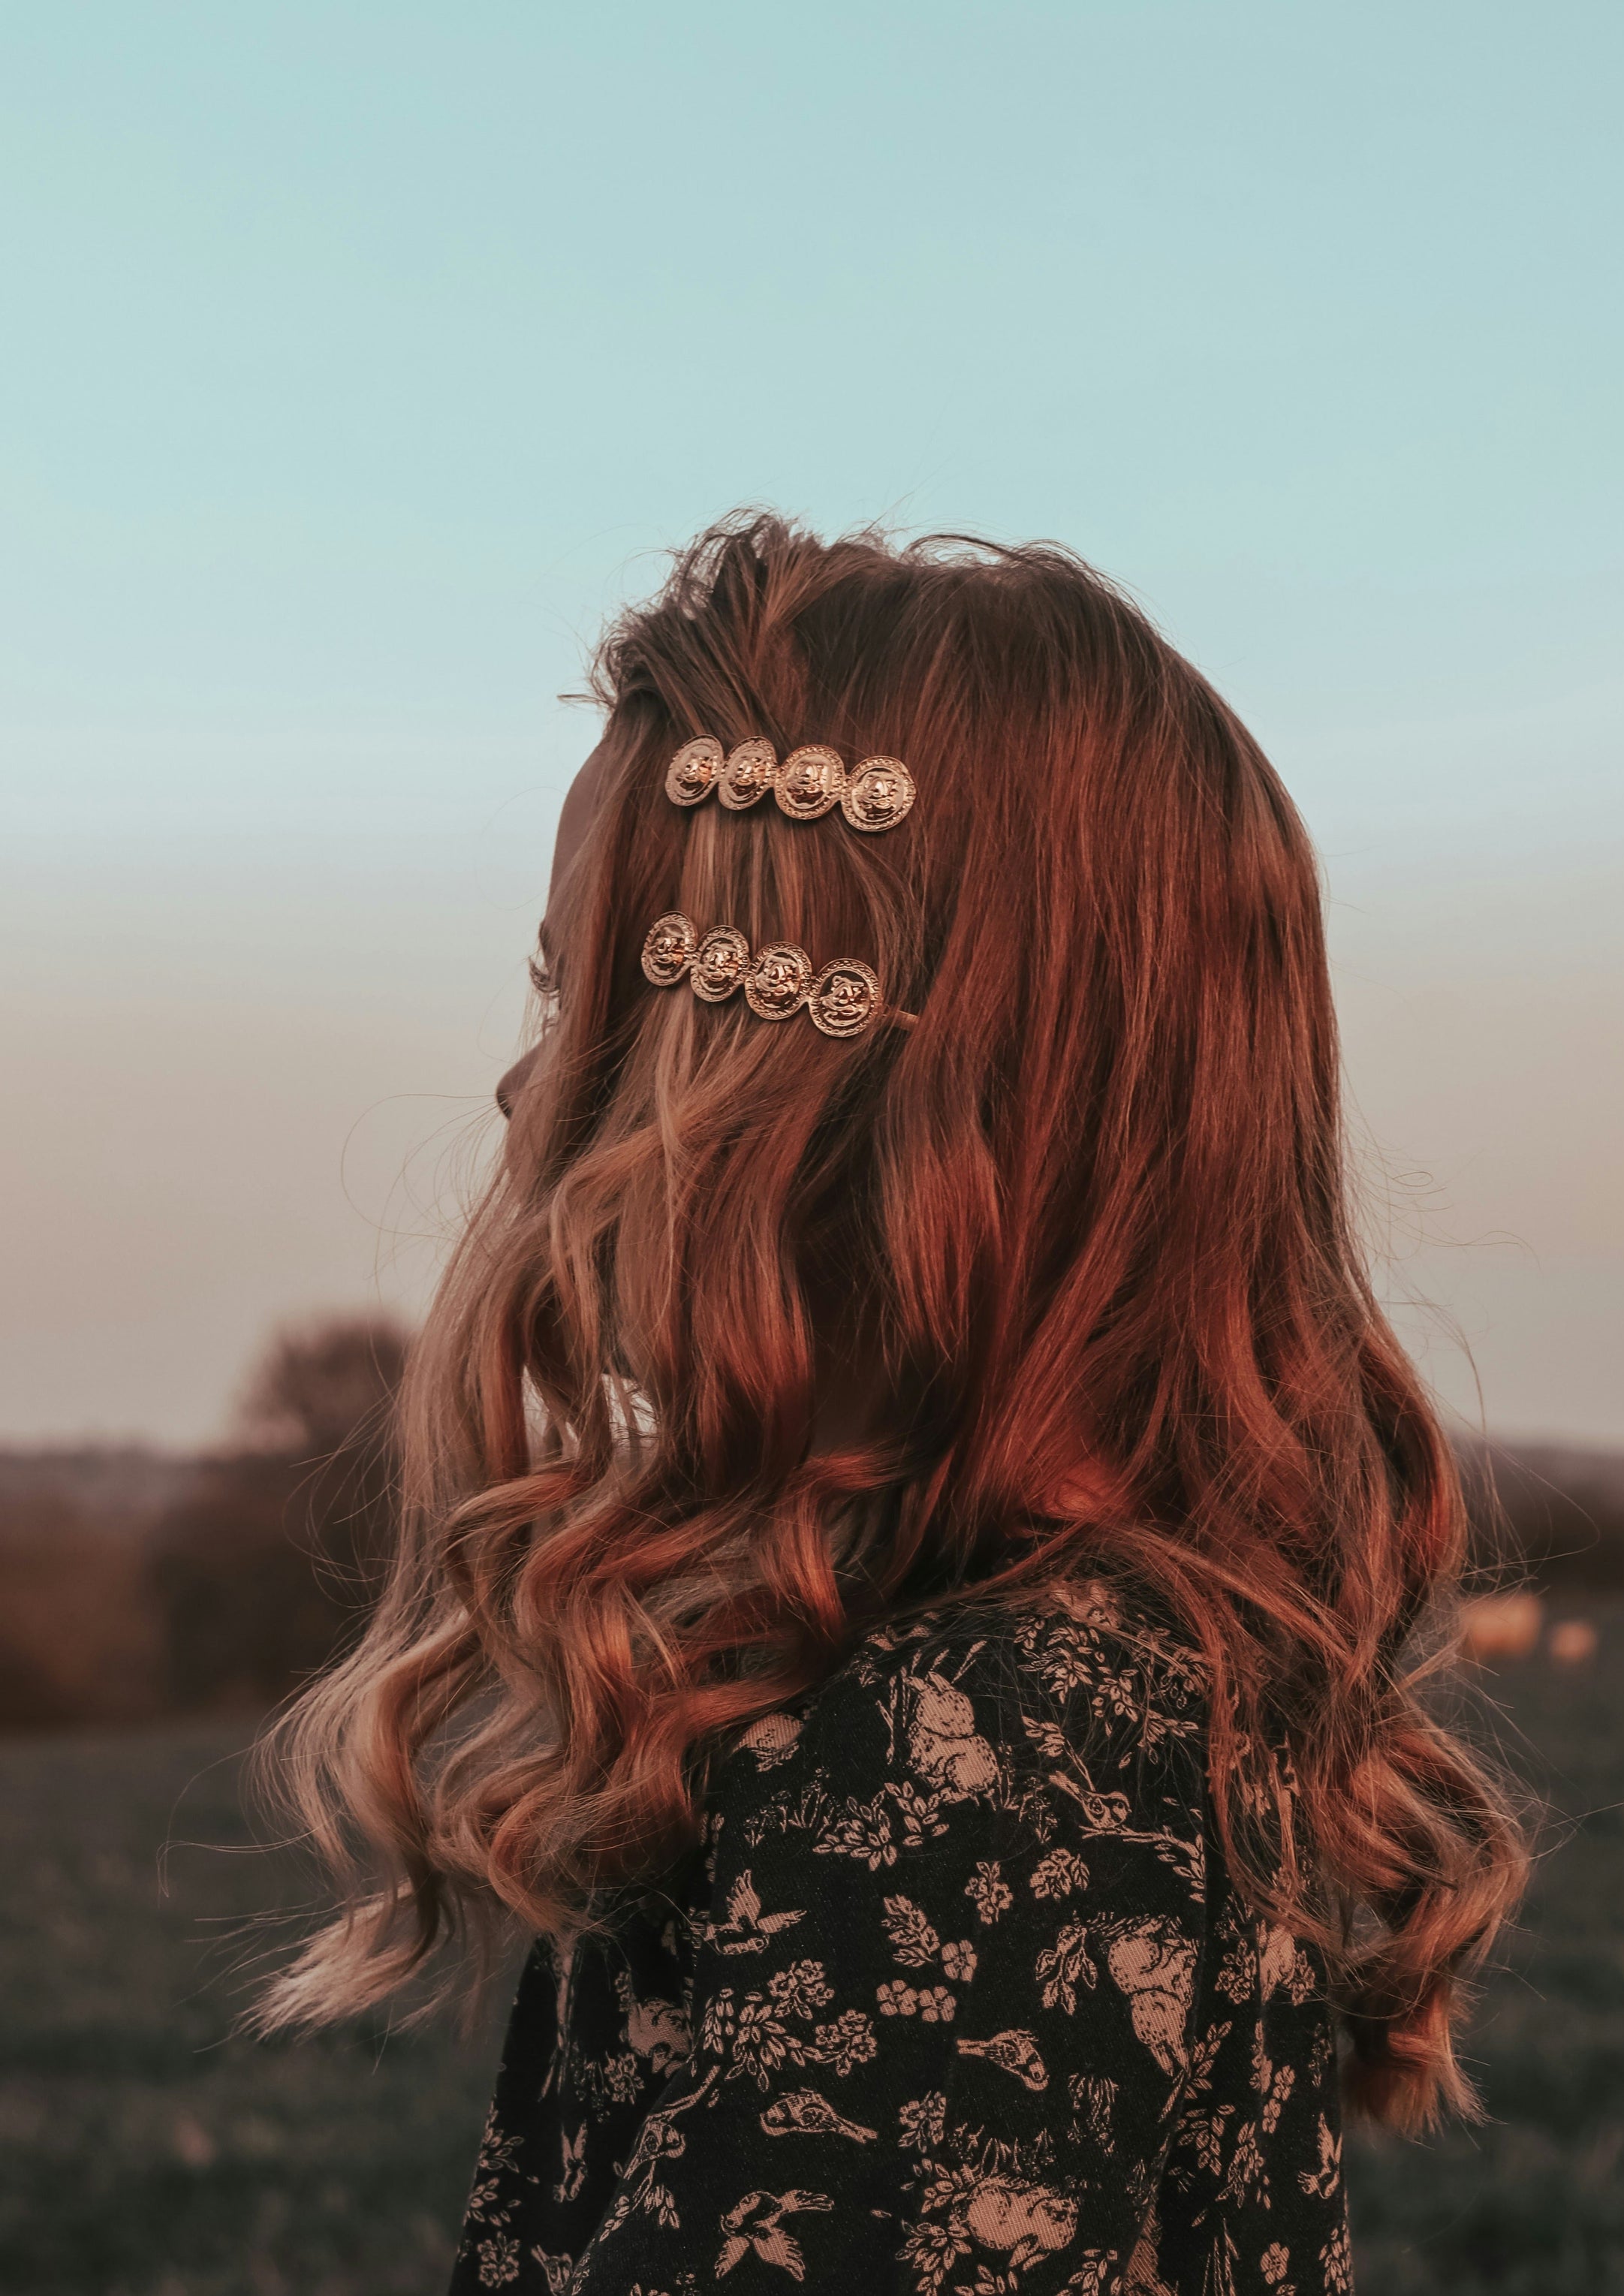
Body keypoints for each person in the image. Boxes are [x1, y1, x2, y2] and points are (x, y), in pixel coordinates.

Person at [258, 517, 1525, 2294]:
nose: (522, 1076)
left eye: (590, 994)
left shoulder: (983, 1763)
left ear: (843, 1089)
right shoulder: (997, 1685)